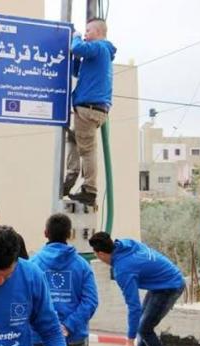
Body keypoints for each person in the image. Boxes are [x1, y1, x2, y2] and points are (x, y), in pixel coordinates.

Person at [89, 232, 185, 346]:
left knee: (145, 329)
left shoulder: (123, 270)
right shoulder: (126, 243)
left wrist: (129, 342)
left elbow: (133, 307)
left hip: (170, 286)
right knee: (143, 325)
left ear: (100, 254)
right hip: (161, 283)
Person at [31, 214, 99, 346]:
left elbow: (26, 301)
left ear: (45, 233)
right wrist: (68, 326)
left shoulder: (33, 265)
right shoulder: (82, 266)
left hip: (39, 337)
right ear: (69, 234)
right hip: (74, 337)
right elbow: (91, 301)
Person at [64, 18, 116, 206]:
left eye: (88, 30)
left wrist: (76, 37)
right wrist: (76, 58)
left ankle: (89, 190)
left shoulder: (100, 47)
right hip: (88, 108)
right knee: (72, 138)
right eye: (84, 31)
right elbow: (78, 71)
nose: (85, 34)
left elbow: (77, 48)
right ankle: (70, 179)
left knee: (86, 149)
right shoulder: (97, 54)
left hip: (89, 108)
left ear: (99, 32)